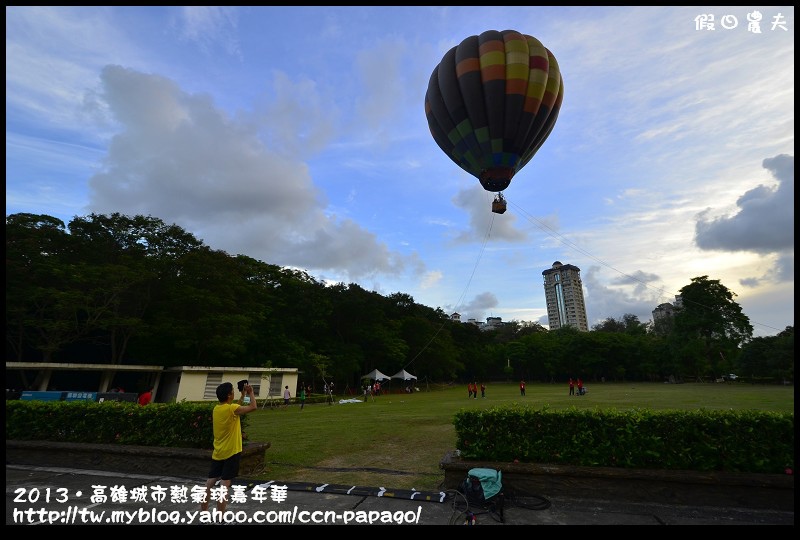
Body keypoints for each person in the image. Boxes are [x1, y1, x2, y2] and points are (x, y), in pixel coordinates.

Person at [202, 381, 256, 515]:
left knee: (210, 483)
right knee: (224, 484)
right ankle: (220, 518)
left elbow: (237, 407)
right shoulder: (232, 409)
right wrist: (250, 393)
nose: (233, 392)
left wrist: (243, 395)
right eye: (232, 390)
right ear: (229, 395)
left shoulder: (217, 409)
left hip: (218, 451)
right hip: (231, 452)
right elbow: (253, 407)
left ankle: (204, 513)